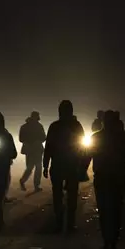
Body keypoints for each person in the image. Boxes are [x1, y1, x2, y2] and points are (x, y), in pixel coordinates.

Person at [87, 110, 125, 249]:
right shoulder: (124, 137)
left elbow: (87, 156)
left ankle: (107, 240)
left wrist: (81, 171)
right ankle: (113, 240)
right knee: (116, 209)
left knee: (104, 210)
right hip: (118, 177)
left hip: (103, 177)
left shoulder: (97, 137)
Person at [43, 100, 85, 234]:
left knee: (57, 195)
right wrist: (82, 166)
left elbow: (48, 147)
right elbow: (82, 147)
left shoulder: (54, 126)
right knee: (72, 195)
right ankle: (70, 224)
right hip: (72, 165)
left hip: (58, 164)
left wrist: (45, 165)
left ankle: (59, 222)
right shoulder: (76, 126)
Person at [19, 111, 47, 192]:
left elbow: (21, 139)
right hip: (36, 149)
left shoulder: (24, 127)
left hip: (30, 150)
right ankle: (36, 186)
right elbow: (44, 137)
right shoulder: (39, 126)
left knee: (30, 168)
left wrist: (29, 142)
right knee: (36, 168)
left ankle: (24, 181)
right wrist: (36, 141)